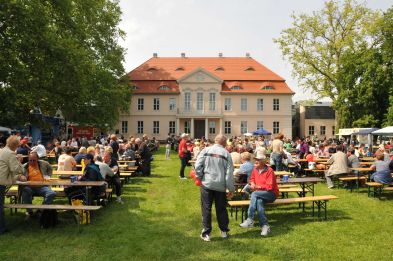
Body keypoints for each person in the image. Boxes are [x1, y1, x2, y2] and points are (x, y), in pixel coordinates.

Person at [195, 134, 234, 242]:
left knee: (206, 208)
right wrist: (231, 189)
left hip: (207, 183)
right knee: (221, 208)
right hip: (220, 185)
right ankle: (224, 231)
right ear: (225, 143)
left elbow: (197, 165)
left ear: (215, 141)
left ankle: (206, 233)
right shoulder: (226, 154)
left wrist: (200, 176)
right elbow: (229, 173)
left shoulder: (206, 150)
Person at [239, 155, 279, 236]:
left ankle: (250, 219)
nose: (256, 161)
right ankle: (265, 226)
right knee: (259, 202)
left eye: (258, 160)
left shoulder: (270, 171)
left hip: (271, 194)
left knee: (254, 194)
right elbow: (252, 179)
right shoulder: (255, 169)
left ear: (264, 162)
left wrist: (257, 187)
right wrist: (253, 183)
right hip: (260, 194)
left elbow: (270, 187)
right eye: (255, 159)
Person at [0, 136, 24, 235]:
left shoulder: (2, 150)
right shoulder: (10, 153)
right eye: (18, 145)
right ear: (15, 146)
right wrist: (19, 160)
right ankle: (1, 229)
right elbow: (16, 170)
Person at [21, 152, 56, 219]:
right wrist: (22, 177)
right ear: (28, 159)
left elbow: (50, 168)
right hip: (30, 187)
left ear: (37, 159)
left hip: (42, 187)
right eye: (30, 160)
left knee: (52, 193)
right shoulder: (25, 166)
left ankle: (40, 210)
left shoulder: (43, 163)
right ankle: (30, 212)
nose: (32, 162)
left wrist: (48, 175)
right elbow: (19, 174)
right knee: (25, 191)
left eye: (34, 160)